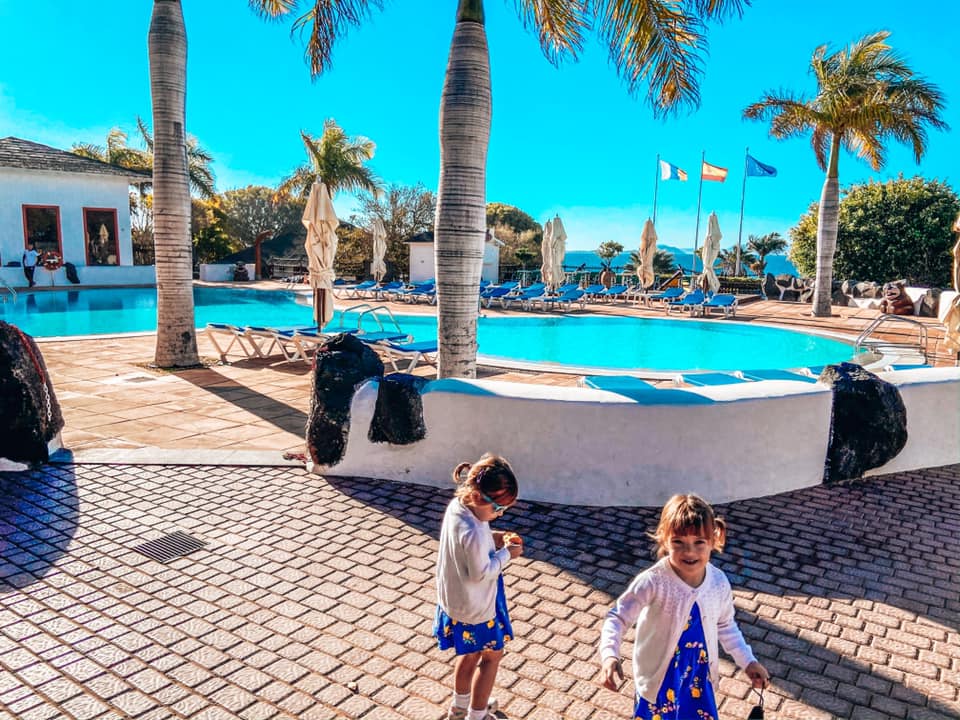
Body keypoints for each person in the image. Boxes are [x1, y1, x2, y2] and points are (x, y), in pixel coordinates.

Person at [598, 493, 769, 719]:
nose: (689, 552)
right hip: (658, 681)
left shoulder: (718, 583)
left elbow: (726, 625)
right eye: (679, 542)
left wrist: (748, 661)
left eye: (699, 542)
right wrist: (609, 655)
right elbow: (617, 618)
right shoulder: (654, 581)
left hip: (698, 680)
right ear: (664, 540)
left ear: (714, 540)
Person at [434, 454, 523, 720]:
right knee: (491, 657)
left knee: (468, 653)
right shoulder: (473, 531)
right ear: (477, 497)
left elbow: (471, 541)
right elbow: (480, 573)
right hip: (477, 607)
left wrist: (495, 537)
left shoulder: (458, 508)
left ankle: (459, 708)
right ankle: (478, 714)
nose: (499, 514)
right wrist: (507, 554)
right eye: (498, 509)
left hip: (455, 601)